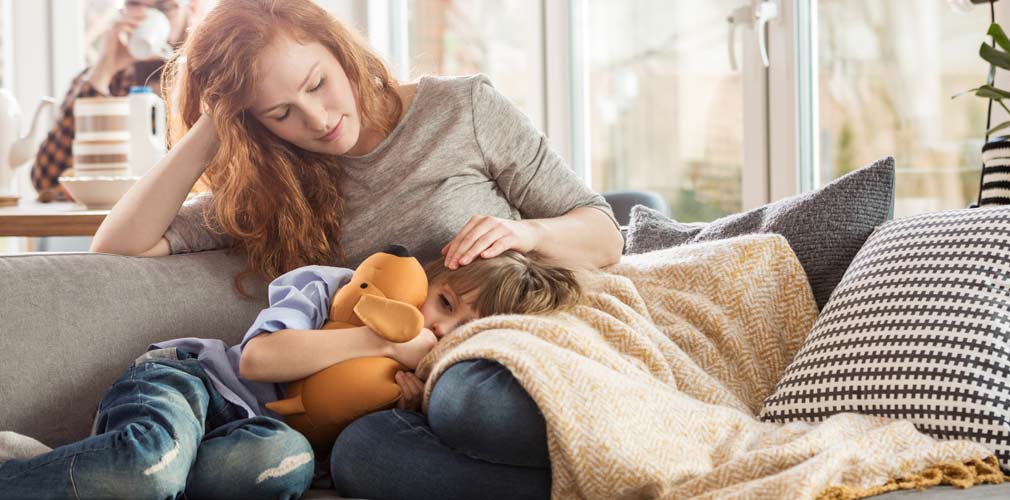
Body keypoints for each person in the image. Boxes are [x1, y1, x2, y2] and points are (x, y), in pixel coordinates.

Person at [88, 0, 623, 498]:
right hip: (393, 394)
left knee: (472, 405)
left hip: (500, 355)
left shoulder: (462, 110)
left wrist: (529, 234)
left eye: (317, 84)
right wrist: (213, 123)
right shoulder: (277, 187)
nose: (317, 120)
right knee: (361, 457)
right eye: (280, 113)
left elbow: (604, 234)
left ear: (339, 50)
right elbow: (118, 246)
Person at [0, 250, 582, 499]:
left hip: (258, 438)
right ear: (428, 277)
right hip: (191, 383)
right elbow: (258, 361)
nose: (441, 329)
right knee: (151, 466)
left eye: (463, 330)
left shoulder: (436, 389)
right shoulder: (339, 289)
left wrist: (406, 401)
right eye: (446, 303)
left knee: (281, 468)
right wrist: (378, 338)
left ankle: (52, 468)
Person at [32, 0, 204, 202]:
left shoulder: (210, 80)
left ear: (191, 9)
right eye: (135, 5)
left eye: (163, 7)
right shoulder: (105, 81)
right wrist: (103, 70)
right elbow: (47, 179)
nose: (146, 16)